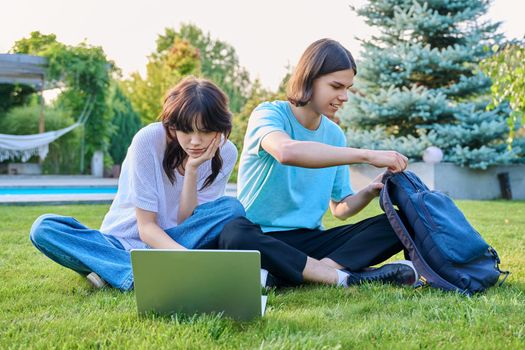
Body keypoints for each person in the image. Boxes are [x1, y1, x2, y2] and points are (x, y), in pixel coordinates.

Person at [218, 39, 417, 288]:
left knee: (398, 223)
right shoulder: (269, 114)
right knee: (232, 234)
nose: (344, 97)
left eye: (347, 88)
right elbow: (286, 151)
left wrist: (368, 191)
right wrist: (367, 155)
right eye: (336, 86)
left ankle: (306, 274)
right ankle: (337, 276)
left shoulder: (334, 135)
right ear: (309, 79)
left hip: (311, 240)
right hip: (260, 236)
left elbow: (340, 208)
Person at [29, 77, 244, 291]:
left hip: (177, 240)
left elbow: (187, 222)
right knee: (43, 227)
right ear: (173, 127)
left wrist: (192, 170)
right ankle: (136, 273)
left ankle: (113, 271)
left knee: (232, 208)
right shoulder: (148, 140)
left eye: (205, 131)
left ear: (219, 128)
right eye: (187, 130)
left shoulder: (226, 152)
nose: (195, 141)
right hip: (120, 243)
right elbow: (146, 228)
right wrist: (187, 261)